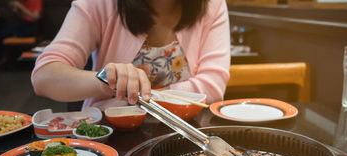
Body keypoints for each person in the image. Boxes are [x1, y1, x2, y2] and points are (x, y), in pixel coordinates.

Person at [31, 0, 230, 110]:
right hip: (110, 135)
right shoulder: (98, 4)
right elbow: (44, 76)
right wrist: (106, 80)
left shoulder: (211, 5)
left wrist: (144, 96)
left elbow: (212, 86)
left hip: (183, 134)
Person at [0, 0, 43, 67]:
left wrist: (20, 6)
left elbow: (35, 17)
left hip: (32, 27)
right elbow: (24, 17)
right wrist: (16, 10)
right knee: (2, 32)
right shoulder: (23, 2)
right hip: (23, 24)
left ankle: (4, 58)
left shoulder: (35, 1)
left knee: (6, 33)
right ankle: (2, 57)